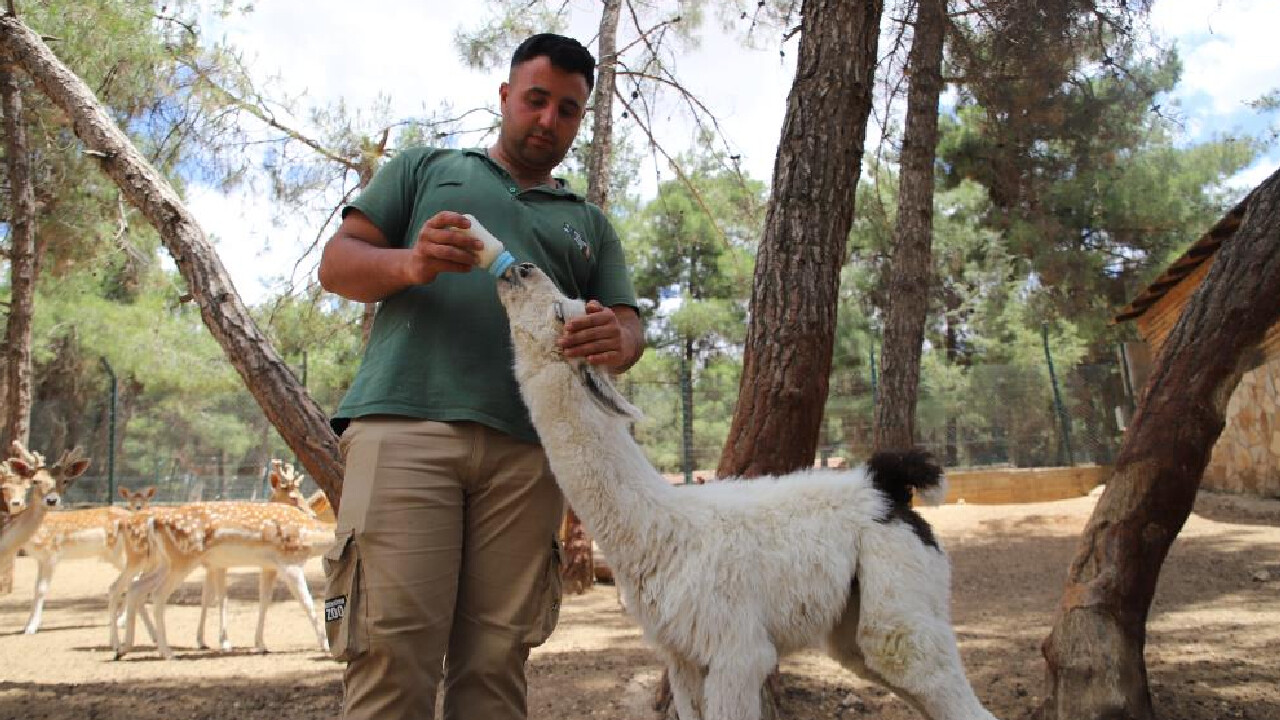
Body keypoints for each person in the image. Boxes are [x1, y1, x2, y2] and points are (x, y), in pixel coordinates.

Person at [316, 33, 644, 720]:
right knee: (389, 653)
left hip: (531, 453)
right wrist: (411, 264)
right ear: (504, 97)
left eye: (567, 110)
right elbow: (339, 264)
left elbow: (627, 328)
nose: (548, 120)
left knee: (495, 666)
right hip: (405, 429)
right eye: (535, 100)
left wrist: (612, 336)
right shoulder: (426, 168)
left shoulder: (590, 224)